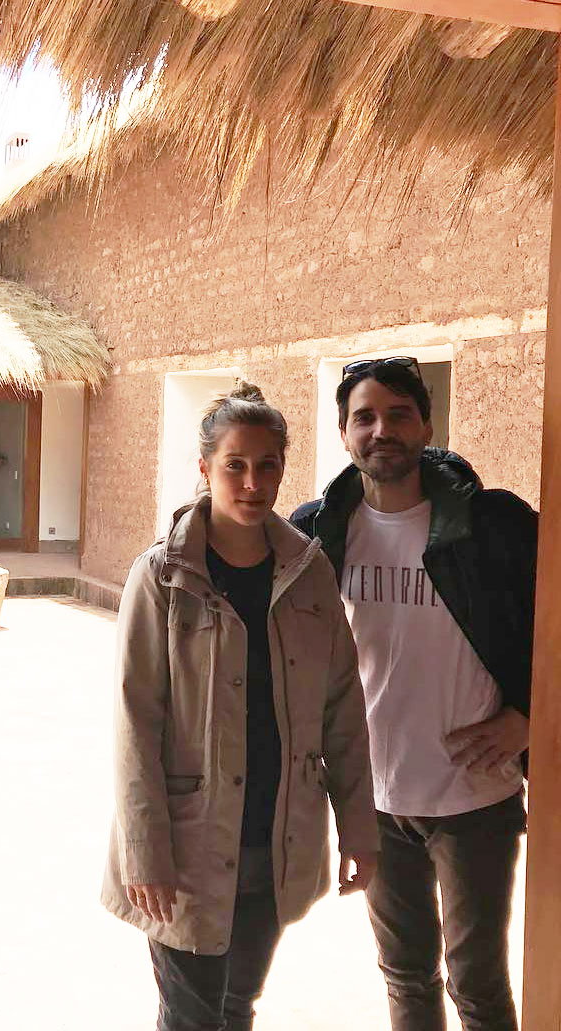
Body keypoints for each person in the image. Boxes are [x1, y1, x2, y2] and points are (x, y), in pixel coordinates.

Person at [102, 383, 379, 1031]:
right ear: (204, 469)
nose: (253, 482)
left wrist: (359, 827)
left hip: (276, 840)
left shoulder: (309, 574)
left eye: (268, 465)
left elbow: (343, 709)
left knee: (236, 1006)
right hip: (184, 846)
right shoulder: (162, 577)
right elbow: (134, 722)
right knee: (192, 1014)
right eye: (235, 464)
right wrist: (144, 848)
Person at [291, 356, 536, 1031]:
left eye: (399, 414)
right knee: (405, 977)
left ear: (427, 424)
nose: (382, 429)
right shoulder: (316, 531)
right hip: (375, 796)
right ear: (343, 432)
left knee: (479, 981)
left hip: (474, 798)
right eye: (364, 416)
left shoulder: (496, 526)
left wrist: (530, 718)